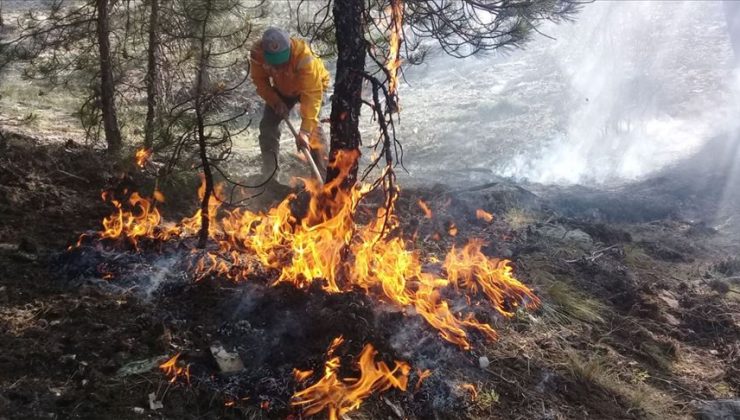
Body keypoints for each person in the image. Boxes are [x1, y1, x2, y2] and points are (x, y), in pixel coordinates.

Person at [250, 27, 330, 183]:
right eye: (275, 63)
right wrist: (275, 100)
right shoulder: (257, 53)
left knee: (313, 129)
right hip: (282, 88)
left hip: (312, 87)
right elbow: (260, 81)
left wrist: (305, 132)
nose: (279, 67)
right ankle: (270, 177)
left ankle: (321, 179)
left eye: (282, 62)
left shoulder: (304, 57)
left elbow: (312, 94)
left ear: (290, 48)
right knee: (267, 126)